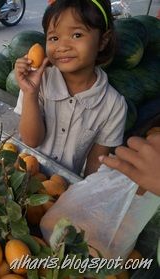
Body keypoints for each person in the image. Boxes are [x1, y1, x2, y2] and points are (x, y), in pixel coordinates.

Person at [14, 0, 127, 176]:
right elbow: (31, 140)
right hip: (20, 176)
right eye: (54, 38)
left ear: (102, 41)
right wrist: (30, 93)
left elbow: (94, 166)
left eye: (76, 35)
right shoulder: (38, 83)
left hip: (63, 189)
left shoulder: (114, 106)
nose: (63, 47)